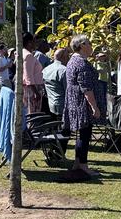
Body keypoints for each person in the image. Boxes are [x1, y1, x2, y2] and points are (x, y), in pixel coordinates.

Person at [62, 35, 104, 177]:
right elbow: (87, 89)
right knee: (84, 135)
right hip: (82, 104)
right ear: (82, 45)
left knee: (82, 134)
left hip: (76, 103)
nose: (92, 46)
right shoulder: (81, 64)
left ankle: (78, 163)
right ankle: (83, 166)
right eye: (89, 43)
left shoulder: (73, 61)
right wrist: (94, 107)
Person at [43, 48, 68, 119]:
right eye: (67, 56)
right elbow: (68, 90)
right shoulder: (64, 70)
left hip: (50, 104)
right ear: (63, 57)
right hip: (63, 106)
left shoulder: (46, 69)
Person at [22, 32, 44, 114]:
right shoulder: (28, 55)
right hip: (32, 89)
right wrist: (36, 92)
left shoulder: (22, 52)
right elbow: (29, 76)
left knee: (28, 112)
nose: (36, 44)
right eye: (34, 41)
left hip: (28, 88)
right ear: (29, 43)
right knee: (32, 113)